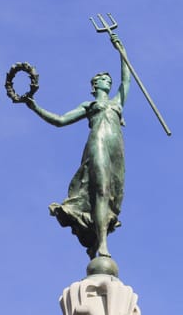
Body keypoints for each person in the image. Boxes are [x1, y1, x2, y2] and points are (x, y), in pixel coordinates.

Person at [25, 33, 130, 259]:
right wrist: (34, 107)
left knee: (114, 194)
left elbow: (127, 81)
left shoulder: (116, 103)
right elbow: (60, 120)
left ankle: (98, 236)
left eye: (108, 79)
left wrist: (121, 52)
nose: (107, 80)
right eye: (103, 78)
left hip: (116, 149)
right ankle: (102, 244)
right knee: (101, 189)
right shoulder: (90, 105)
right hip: (98, 143)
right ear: (94, 85)